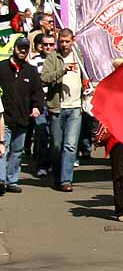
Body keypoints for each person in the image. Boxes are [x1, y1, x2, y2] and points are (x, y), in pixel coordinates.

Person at [41, 28, 89, 192]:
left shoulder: (79, 57)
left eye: (67, 41)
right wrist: (62, 70)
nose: (64, 44)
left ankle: (65, 180)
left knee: (70, 145)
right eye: (61, 41)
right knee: (56, 145)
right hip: (57, 107)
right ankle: (57, 175)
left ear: (72, 41)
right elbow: (44, 78)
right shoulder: (53, 57)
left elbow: (87, 76)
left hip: (75, 107)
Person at [0, 36, 43, 193]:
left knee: (17, 152)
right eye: (20, 48)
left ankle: (12, 180)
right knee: (2, 149)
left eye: (26, 48)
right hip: (4, 118)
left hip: (23, 118)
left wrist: (37, 107)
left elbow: (37, 93)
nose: (23, 51)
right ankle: (1, 180)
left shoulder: (31, 71)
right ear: (14, 49)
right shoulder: (2, 68)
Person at [29, 33, 52, 178]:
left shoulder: (59, 60)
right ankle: (42, 165)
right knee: (42, 134)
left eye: (51, 44)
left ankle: (52, 163)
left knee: (55, 137)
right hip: (40, 102)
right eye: (45, 45)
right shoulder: (34, 62)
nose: (48, 47)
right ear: (40, 46)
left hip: (57, 103)